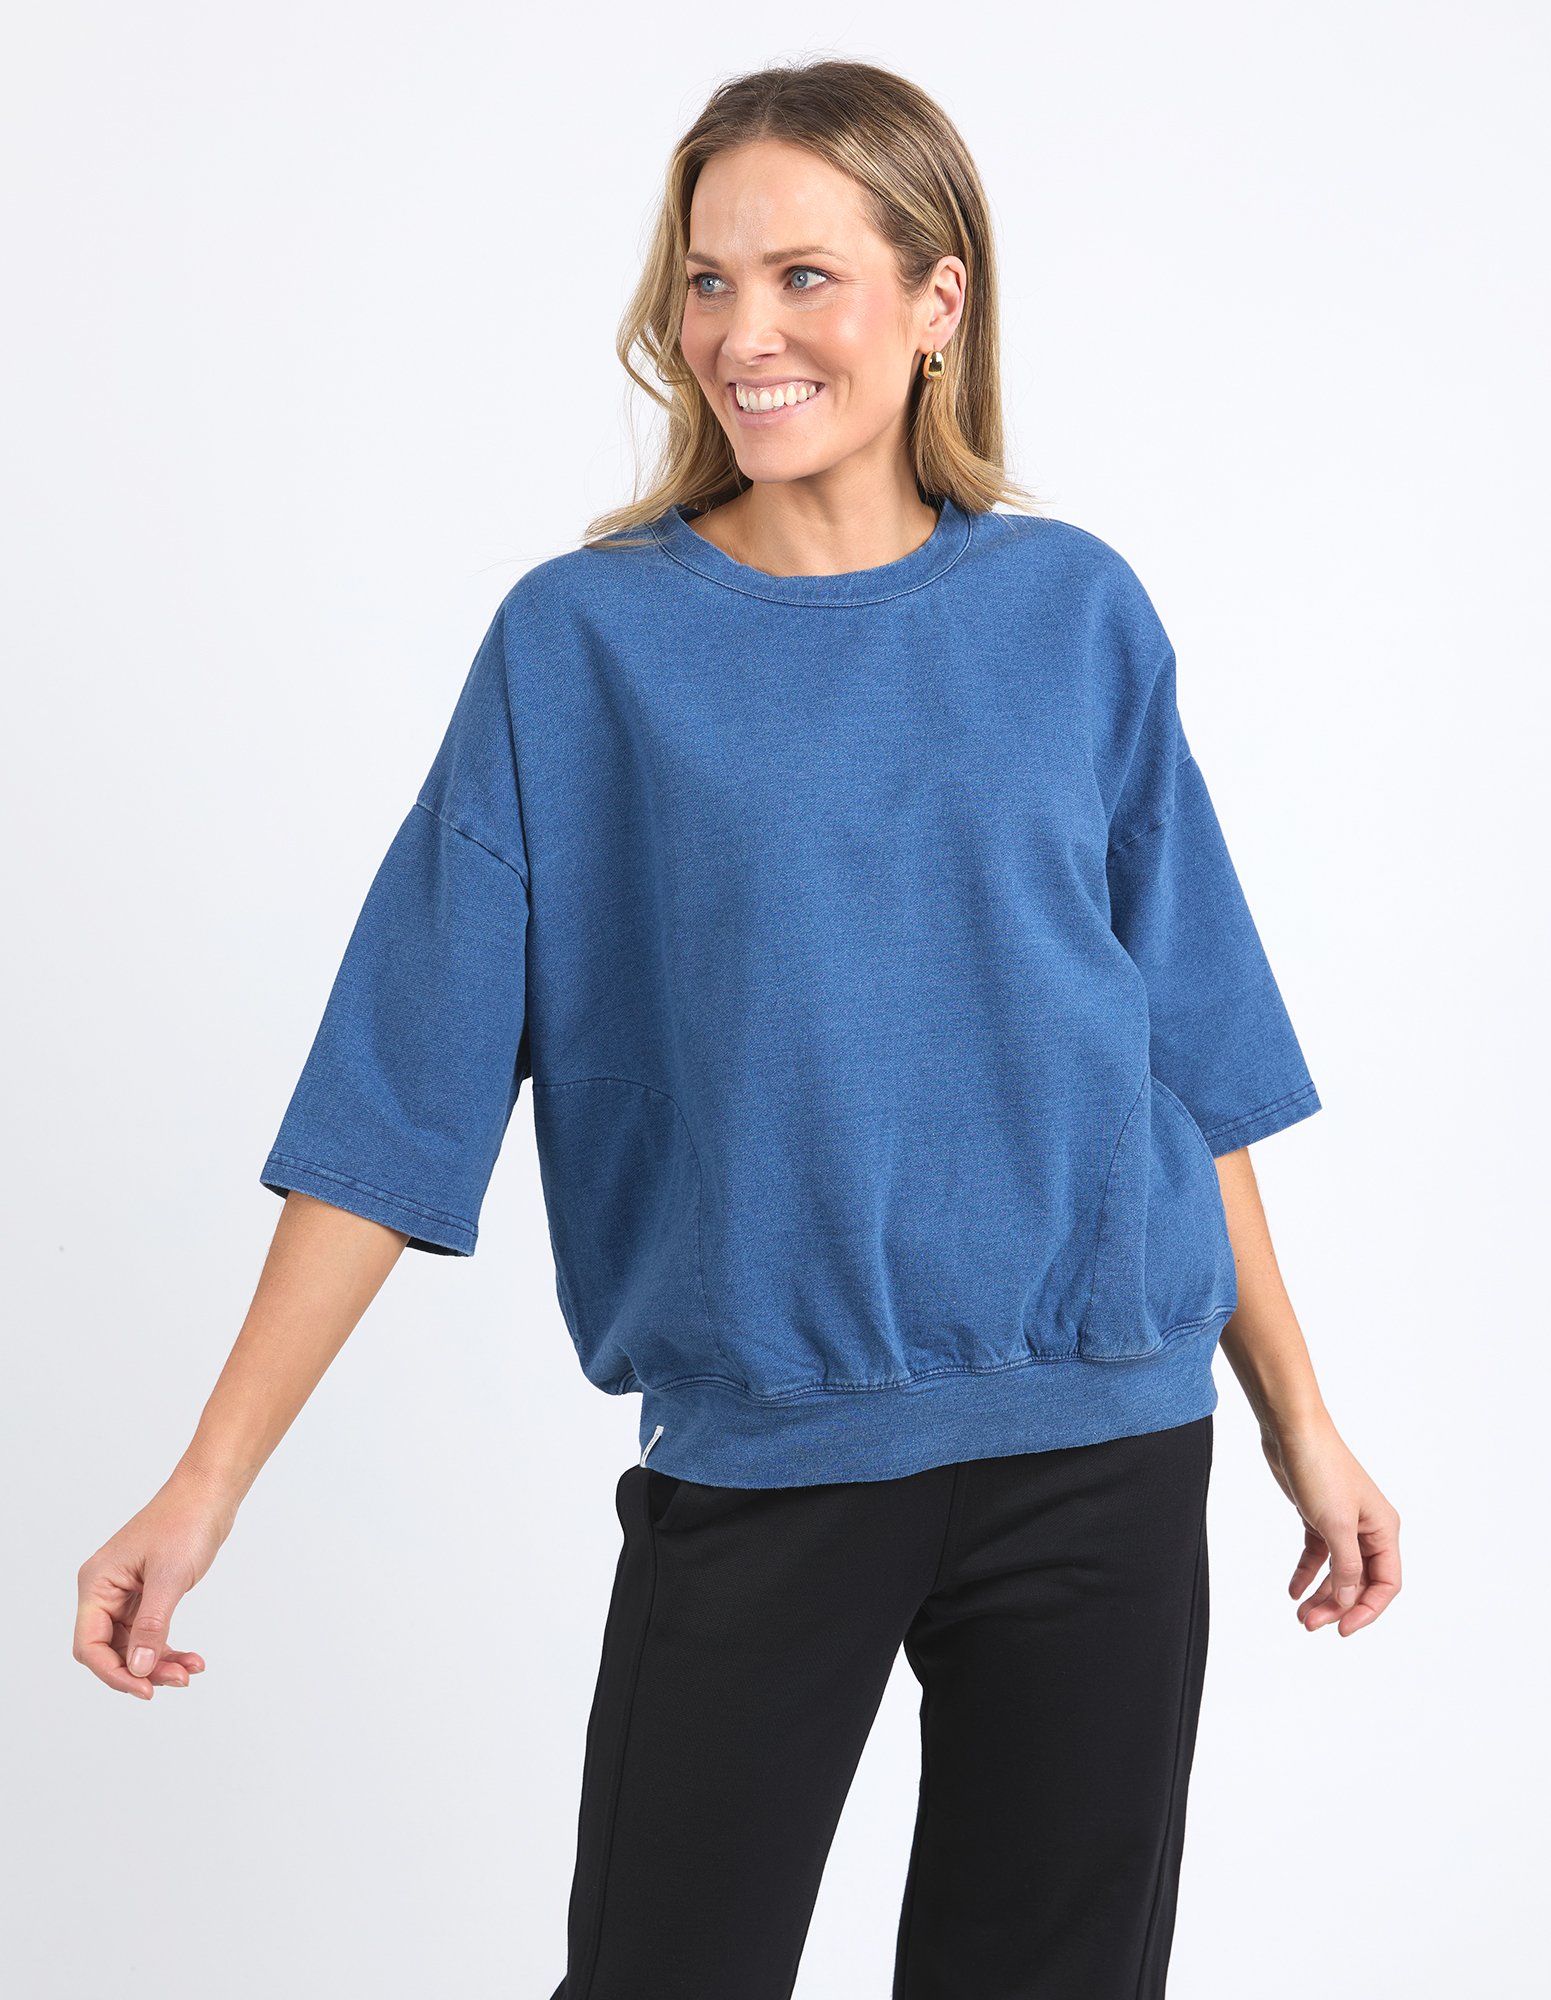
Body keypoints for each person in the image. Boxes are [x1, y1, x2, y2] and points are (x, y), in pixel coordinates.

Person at [73, 57, 1402, 1999]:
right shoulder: (579, 646)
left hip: (1106, 1443)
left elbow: (1186, 1056)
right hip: (768, 1458)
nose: (741, 334)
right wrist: (205, 1483)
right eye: (706, 281)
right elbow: (397, 1090)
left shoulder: (1075, 613)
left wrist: (1303, 1421)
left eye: (802, 277)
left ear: (935, 301)